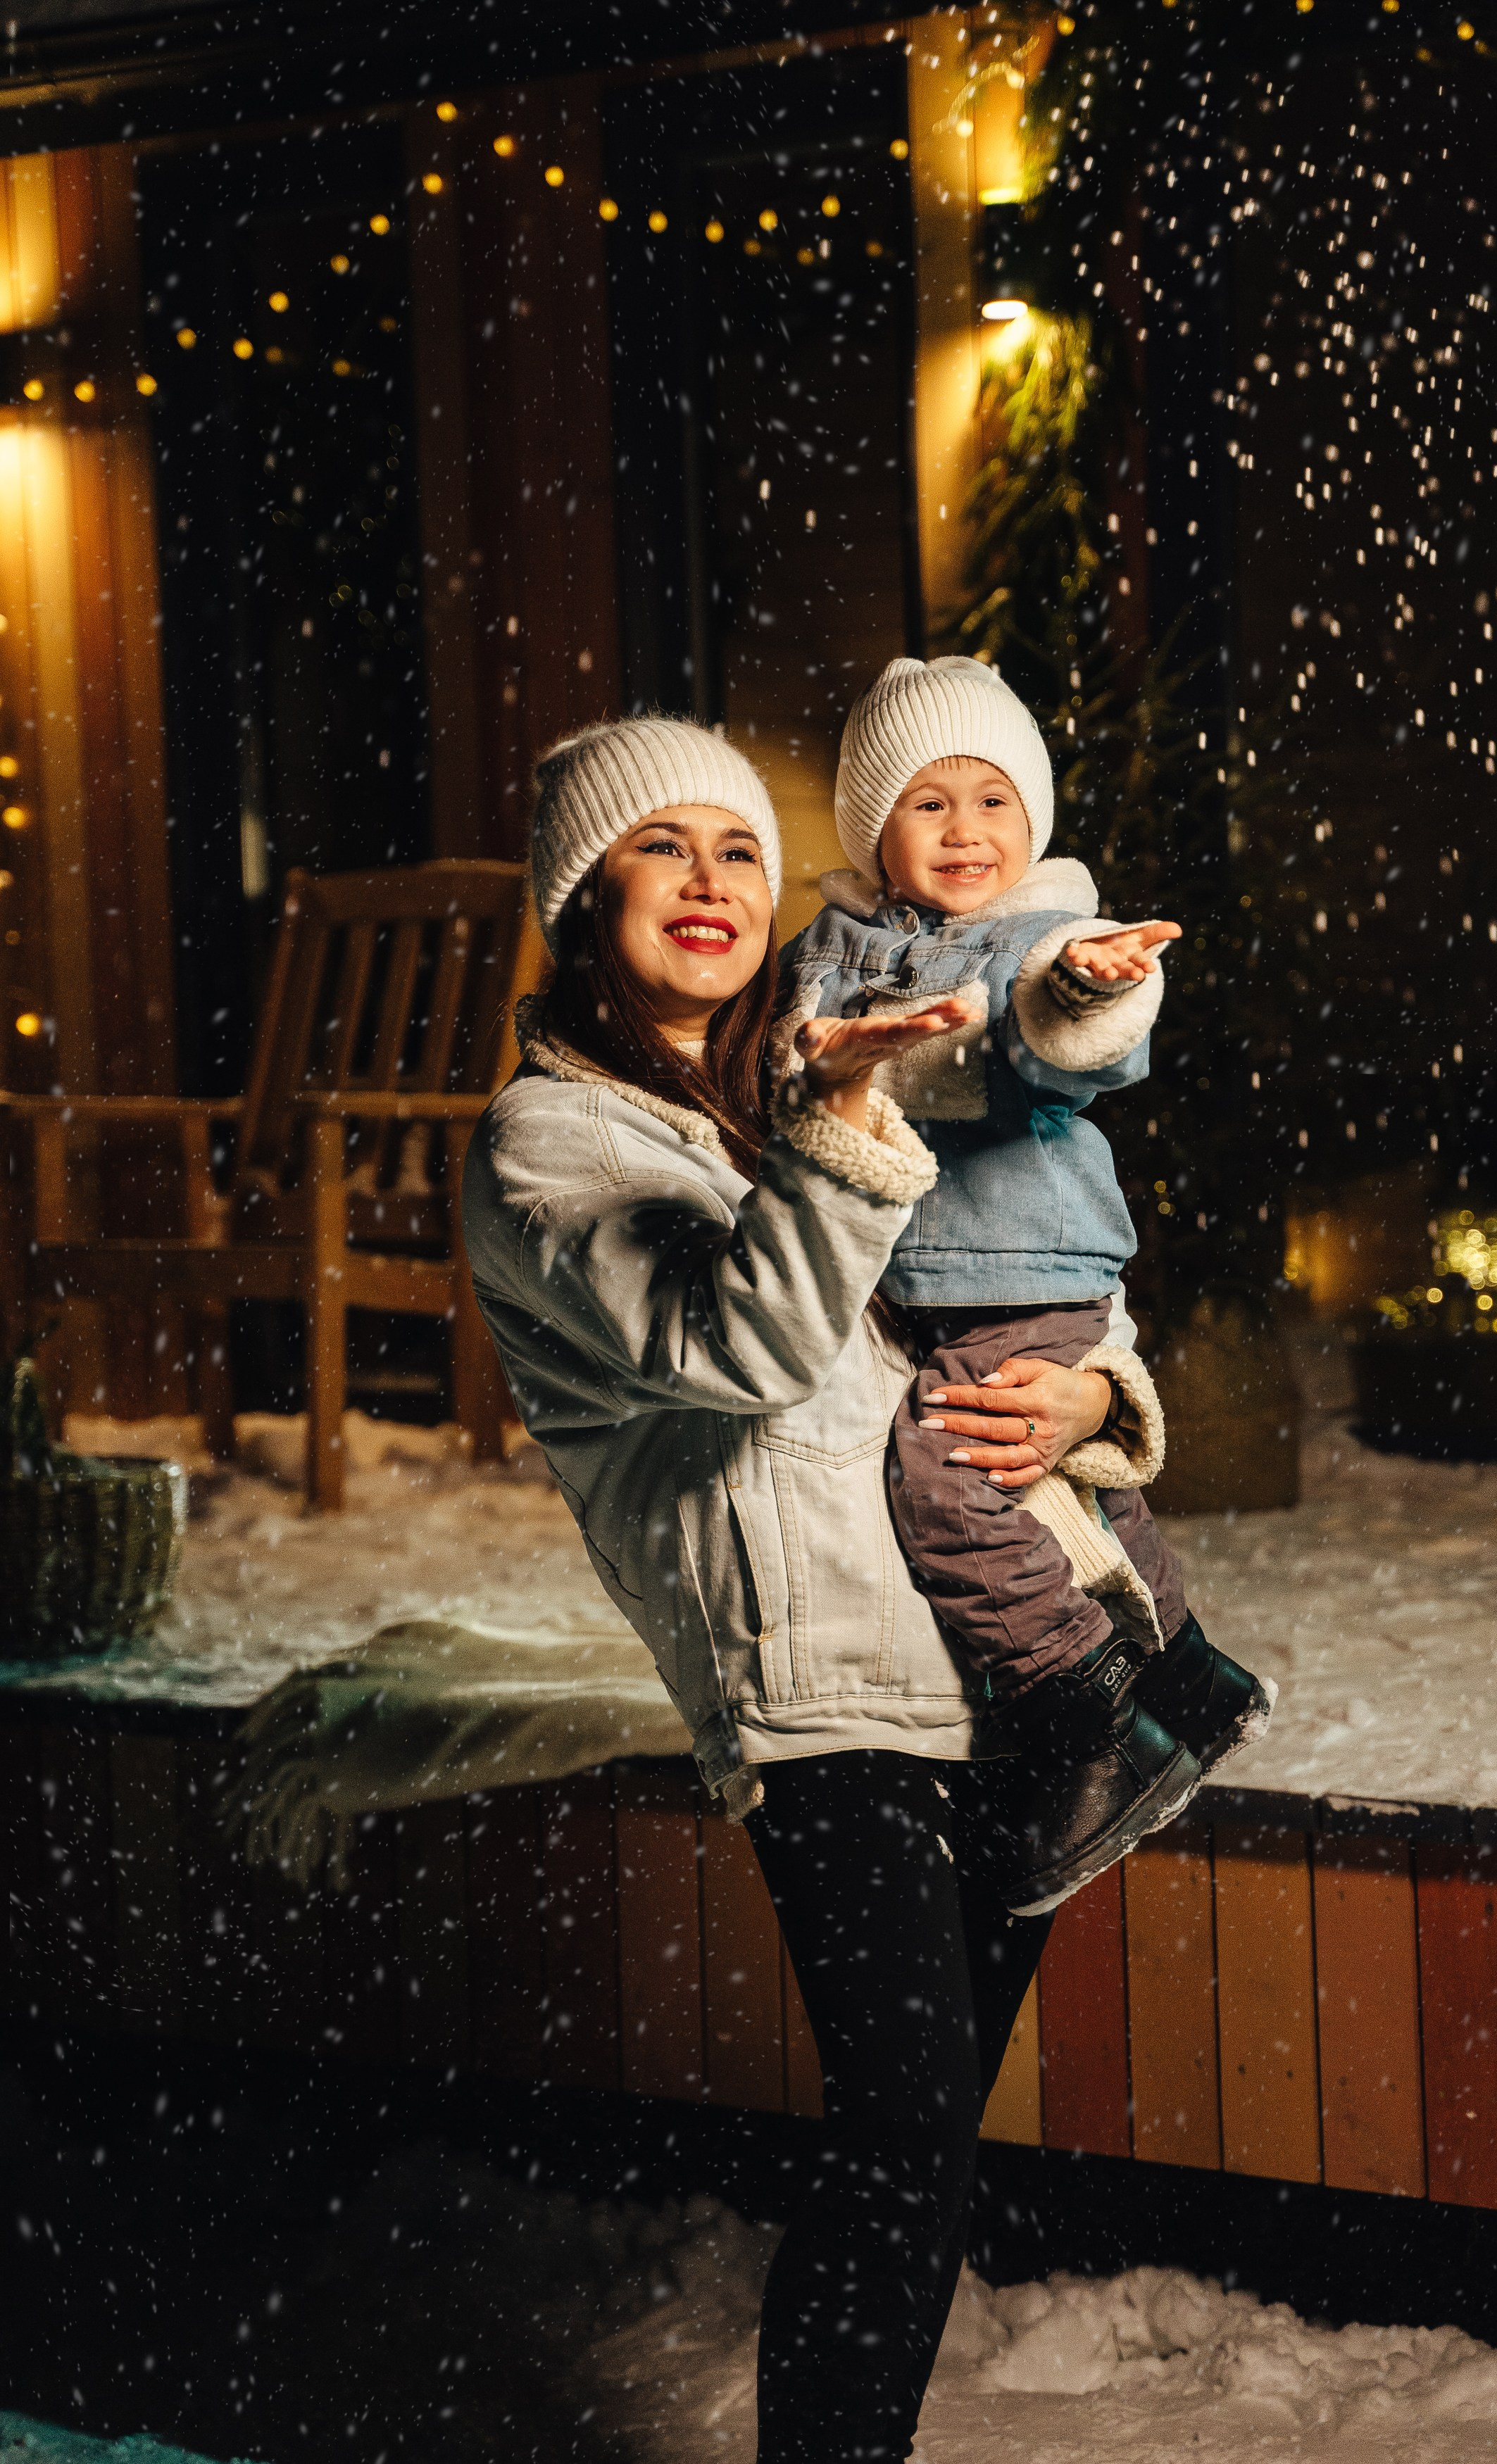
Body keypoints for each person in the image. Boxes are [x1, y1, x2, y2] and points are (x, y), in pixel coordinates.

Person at [462, 715, 1155, 2464]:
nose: (712, 880)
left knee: (923, 2156)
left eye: (740, 851)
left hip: (985, 1652)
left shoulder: (806, 1067)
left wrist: (1096, 1394)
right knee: (902, 2133)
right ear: (584, 892)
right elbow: (740, 1343)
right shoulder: (549, 1146)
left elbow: (1022, 1251)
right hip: (816, 1684)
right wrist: (842, 1122)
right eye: (663, 847)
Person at [777, 657, 1272, 1917]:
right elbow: (779, 1056)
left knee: (948, 1481)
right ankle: (1187, 1676)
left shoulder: (1041, 933)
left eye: (993, 801)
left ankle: (1085, 1715)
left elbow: (1068, 1031)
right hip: (916, 1277)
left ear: (1033, 822)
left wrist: (1089, 991)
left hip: (1028, 1267)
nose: (965, 831)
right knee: (1056, 1486)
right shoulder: (828, 947)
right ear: (872, 828)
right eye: (928, 803)